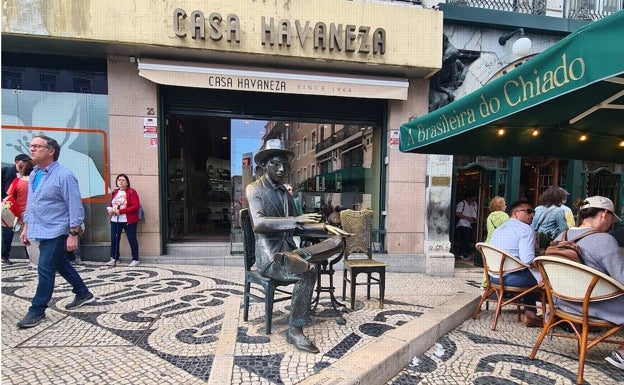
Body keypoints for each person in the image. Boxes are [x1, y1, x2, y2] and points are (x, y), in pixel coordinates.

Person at [246, 139, 349, 354]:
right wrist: (296, 220)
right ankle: (295, 331)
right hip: (269, 256)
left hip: (290, 251)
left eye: (285, 165)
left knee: (338, 241)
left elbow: (299, 228)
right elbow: (259, 224)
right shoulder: (253, 189)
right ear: (264, 165)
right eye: (276, 164)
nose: (282, 169)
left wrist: (324, 228)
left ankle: (299, 255)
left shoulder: (284, 193)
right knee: (307, 272)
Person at [17, 135, 95, 329]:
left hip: (56, 230)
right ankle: (83, 292)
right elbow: (32, 203)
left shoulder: (64, 175)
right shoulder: (35, 173)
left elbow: (75, 206)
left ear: (51, 151)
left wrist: (73, 233)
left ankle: (37, 310)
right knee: (59, 263)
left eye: (37, 146)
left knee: (45, 267)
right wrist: (26, 227)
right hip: (40, 228)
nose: (32, 149)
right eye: (31, 146)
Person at [552, 196, 624, 369]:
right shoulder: (604, 240)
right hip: (592, 305)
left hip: (563, 301)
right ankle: (622, 354)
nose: (611, 224)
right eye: (611, 219)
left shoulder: (562, 235)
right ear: (604, 214)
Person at [489, 201, 542, 327]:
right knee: (548, 277)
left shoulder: (500, 228)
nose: (532, 215)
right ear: (515, 214)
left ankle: (531, 313)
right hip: (510, 279)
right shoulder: (526, 230)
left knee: (530, 273)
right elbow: (527, 259)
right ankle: (551, 314)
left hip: (493, 277)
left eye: (533, 212)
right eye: (528, 211)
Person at [9, 159, 40, 270]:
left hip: (23, 212)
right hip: (40, 212)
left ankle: (36, 264)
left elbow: (9, 196)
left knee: (30, 239)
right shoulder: (39, 180)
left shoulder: (18, 182)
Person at [1, 153, 31, 265]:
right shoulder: (6, 171)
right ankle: (4, 255)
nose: (26, 163)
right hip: (9, 206)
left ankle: (30, 256)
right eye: (24, 161)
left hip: (24, 208)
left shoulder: (29, 173)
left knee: (28, 233)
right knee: (7, 231)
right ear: (17, 161)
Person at [106, 174, 141, 267]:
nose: (120, 182)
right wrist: (110, 211)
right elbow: (111, 203)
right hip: (115, 219)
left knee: (132, 239)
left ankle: (135, 259)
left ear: (127, 182)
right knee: (114, 239)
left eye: (123, 180)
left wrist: (121, 211)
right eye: (119, 180)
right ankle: (114, 258)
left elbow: (135, 206)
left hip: (128, 220)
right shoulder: (115, 192)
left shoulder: (131, 192)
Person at [455, 194, 478, 260]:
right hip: (463, 224)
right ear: (468, 198)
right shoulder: (462, 203)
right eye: (471, 199)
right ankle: (461, 253)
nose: (472, 201)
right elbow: (457, 213)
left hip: (470, 224)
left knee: (468, 239)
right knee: (464, 239)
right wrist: (467, 218)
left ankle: (466, 253)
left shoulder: (473, 204)